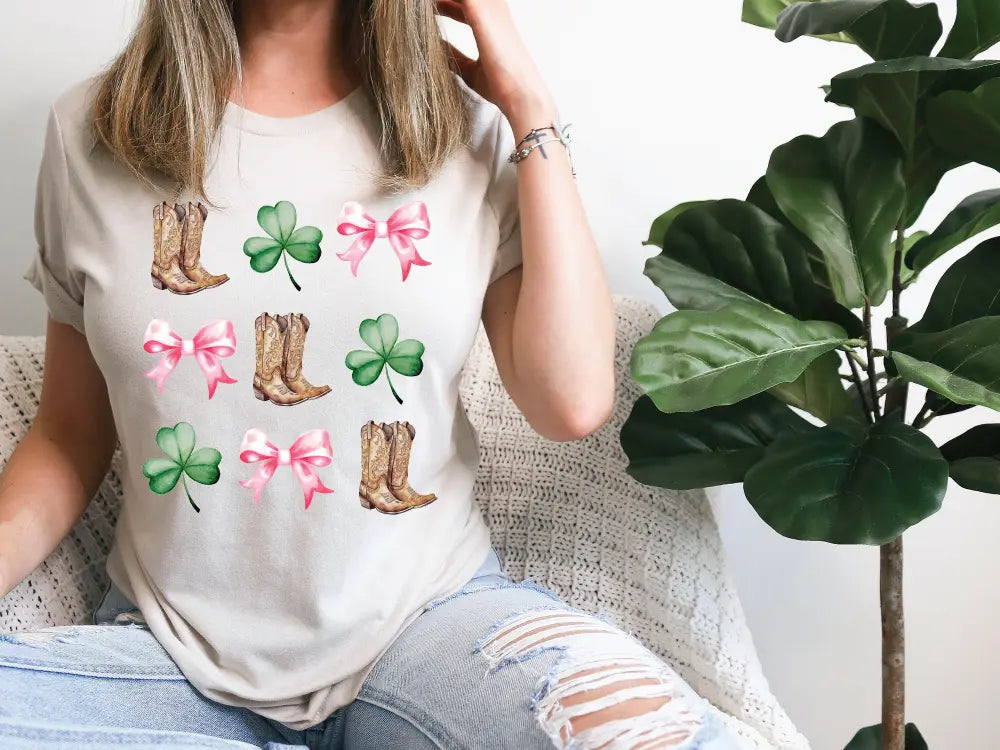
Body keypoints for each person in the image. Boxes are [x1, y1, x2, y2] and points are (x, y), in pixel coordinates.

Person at [0, 1, 741, 748]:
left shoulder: (469, 130)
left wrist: (530, 109)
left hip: (431, 632)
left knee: (646, 732)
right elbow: (69, 435)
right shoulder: (93, 131)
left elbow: (571, 402)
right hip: (167, 660)